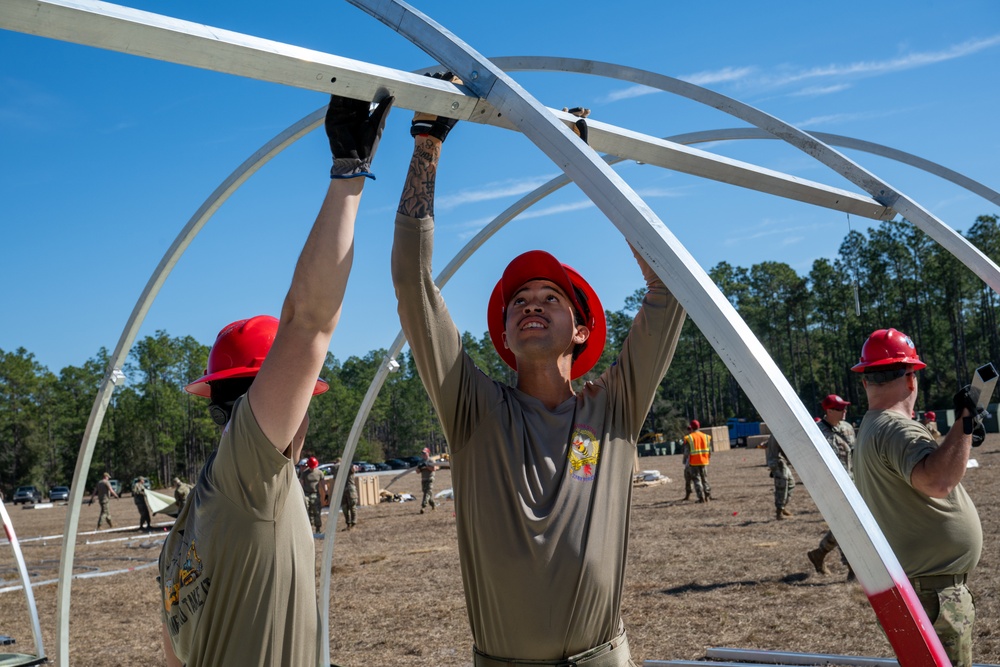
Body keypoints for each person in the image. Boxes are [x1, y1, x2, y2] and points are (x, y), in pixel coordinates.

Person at [390, 85, 686, 665]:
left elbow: (667, 289)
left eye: (550, 297)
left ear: (580, 330)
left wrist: (591, 167)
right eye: (519, 299)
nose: (531, 303)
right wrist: (427, 142)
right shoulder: (474, 410)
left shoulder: (611, 412)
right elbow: (412, 283)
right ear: (503, 334)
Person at [157, 91, 393, 667]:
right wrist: (348, 175)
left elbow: (173, 654)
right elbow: (308, 323)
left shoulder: (181, 534)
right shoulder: (252, 472)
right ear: (286, 403)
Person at [851, 328, 982, 667]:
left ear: (865, 381)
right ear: (911, 379)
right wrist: (966, 420)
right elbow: (937, 481)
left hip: (919, 589)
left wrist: (960, 437)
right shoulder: (897, 427)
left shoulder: (872, 424)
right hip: (933, 595)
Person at [807, 394, 856, 578]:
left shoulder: (848, 429)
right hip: (830, 488)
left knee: (846, 526)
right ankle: (853, 569)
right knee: (848, 527)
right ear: (828, 410)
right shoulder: (816, 432)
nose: (844, 411)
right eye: (840, 408)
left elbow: (855, 455)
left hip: (852, 485)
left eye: (845, 408)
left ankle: (819, 554)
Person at [682, 420, 712, 502]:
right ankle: (707, 496)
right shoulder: (706, 437)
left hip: (694, 462)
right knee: (704, 479)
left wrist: (685, 461)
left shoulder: (689, 438)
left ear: (691, 427)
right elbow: (709, 450)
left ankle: (701, 497)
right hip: (704, 461)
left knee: (696, 479)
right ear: (699, 427)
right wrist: (708, 458)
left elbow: (687, 452)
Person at [764, 435, 794, 519]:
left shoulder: (777, 431)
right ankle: (779, 512)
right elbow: (784, 449)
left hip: (780, 461)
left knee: (791, 483)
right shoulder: (779, 431)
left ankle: (783, 507)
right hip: (777, 462)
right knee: (782, 486)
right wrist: (792, 461)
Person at [299, 456, 324, 534]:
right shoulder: (304, 473)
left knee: (316, 511)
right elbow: (301, 483)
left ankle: (318, 528)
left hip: (315, 494)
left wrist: (326, 493)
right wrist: (300, 493)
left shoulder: (319, 473)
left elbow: (323, 483)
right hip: (306, 494)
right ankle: (308, 528)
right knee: (306, 510)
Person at [417, 447, 438, 514]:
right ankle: (433, 505)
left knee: (427, 492)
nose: (423, 454)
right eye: (422, 453)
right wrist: (420, 468)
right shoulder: (420, 461)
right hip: (423, 480)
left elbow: (434, 469)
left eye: (424, 453)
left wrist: (426, 466)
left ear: (428, 453)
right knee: (428, 494)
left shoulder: (431, 460)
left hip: (430, 479)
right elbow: (417, 471)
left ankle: (423, 507)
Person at [340, 460, 358, 531]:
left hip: (350, 488)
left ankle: (353, 524)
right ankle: (348, 524)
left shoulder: (350, 467)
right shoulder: (340, 469)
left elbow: (353, 469)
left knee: (352, 506)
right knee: (345, 508)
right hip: (343, 489)